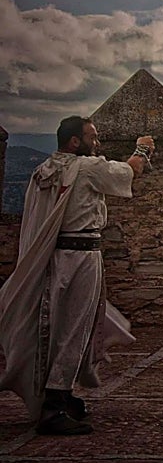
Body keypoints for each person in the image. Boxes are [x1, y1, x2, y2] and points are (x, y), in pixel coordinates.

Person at [0, 116, 151, 436]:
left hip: (54, 258)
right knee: (73, 328)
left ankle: (62, 396)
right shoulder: (85, 168)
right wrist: (143, 149)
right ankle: (54, 405)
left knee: (56, 326)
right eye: (91, 138)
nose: (96, 144)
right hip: (81, 257)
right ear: (74, 142)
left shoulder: (44, 170)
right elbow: (128, 170)